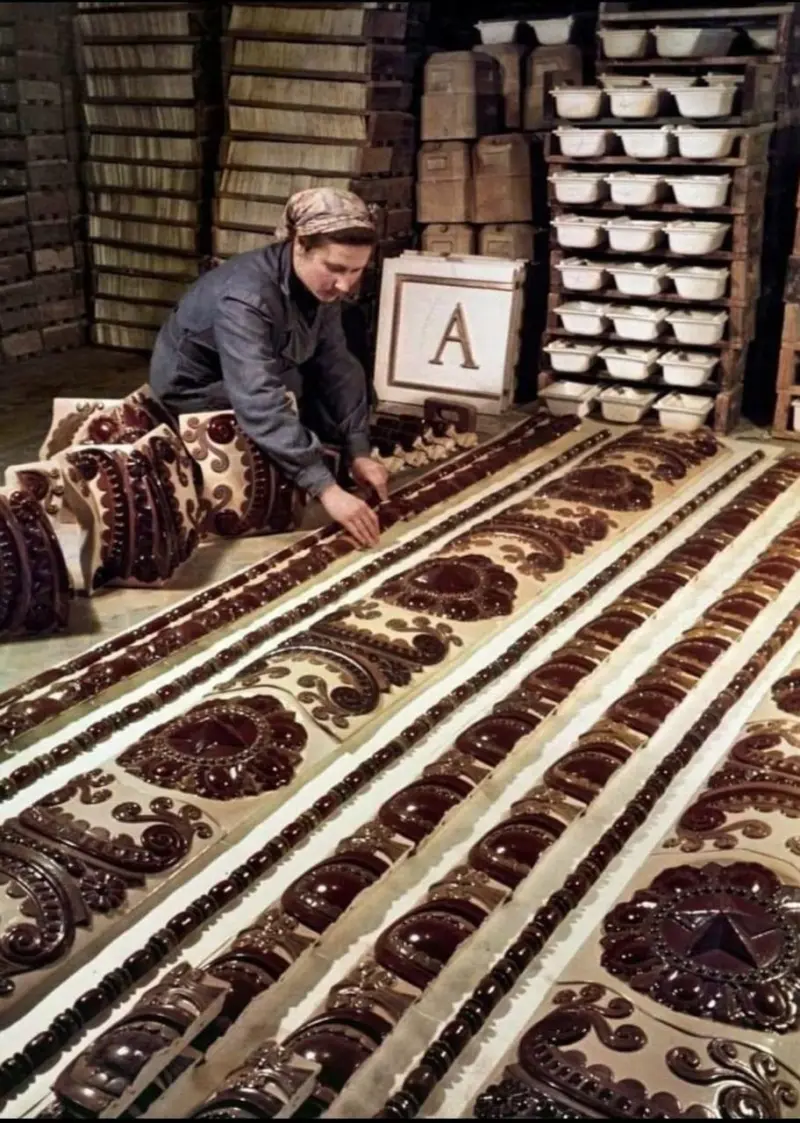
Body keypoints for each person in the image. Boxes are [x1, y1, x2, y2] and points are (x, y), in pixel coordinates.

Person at [149, 187, 389, 548]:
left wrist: (359, 450)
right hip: (198, 390)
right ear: (299, 246)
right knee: (282, 428)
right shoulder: (245, 297)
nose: (344, 284)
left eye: (356, 271)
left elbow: (337, 363)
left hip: (273, 368)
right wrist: (326, 488)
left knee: (344, 390)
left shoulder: (321, 286)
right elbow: (259, 396)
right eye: (335, 269)